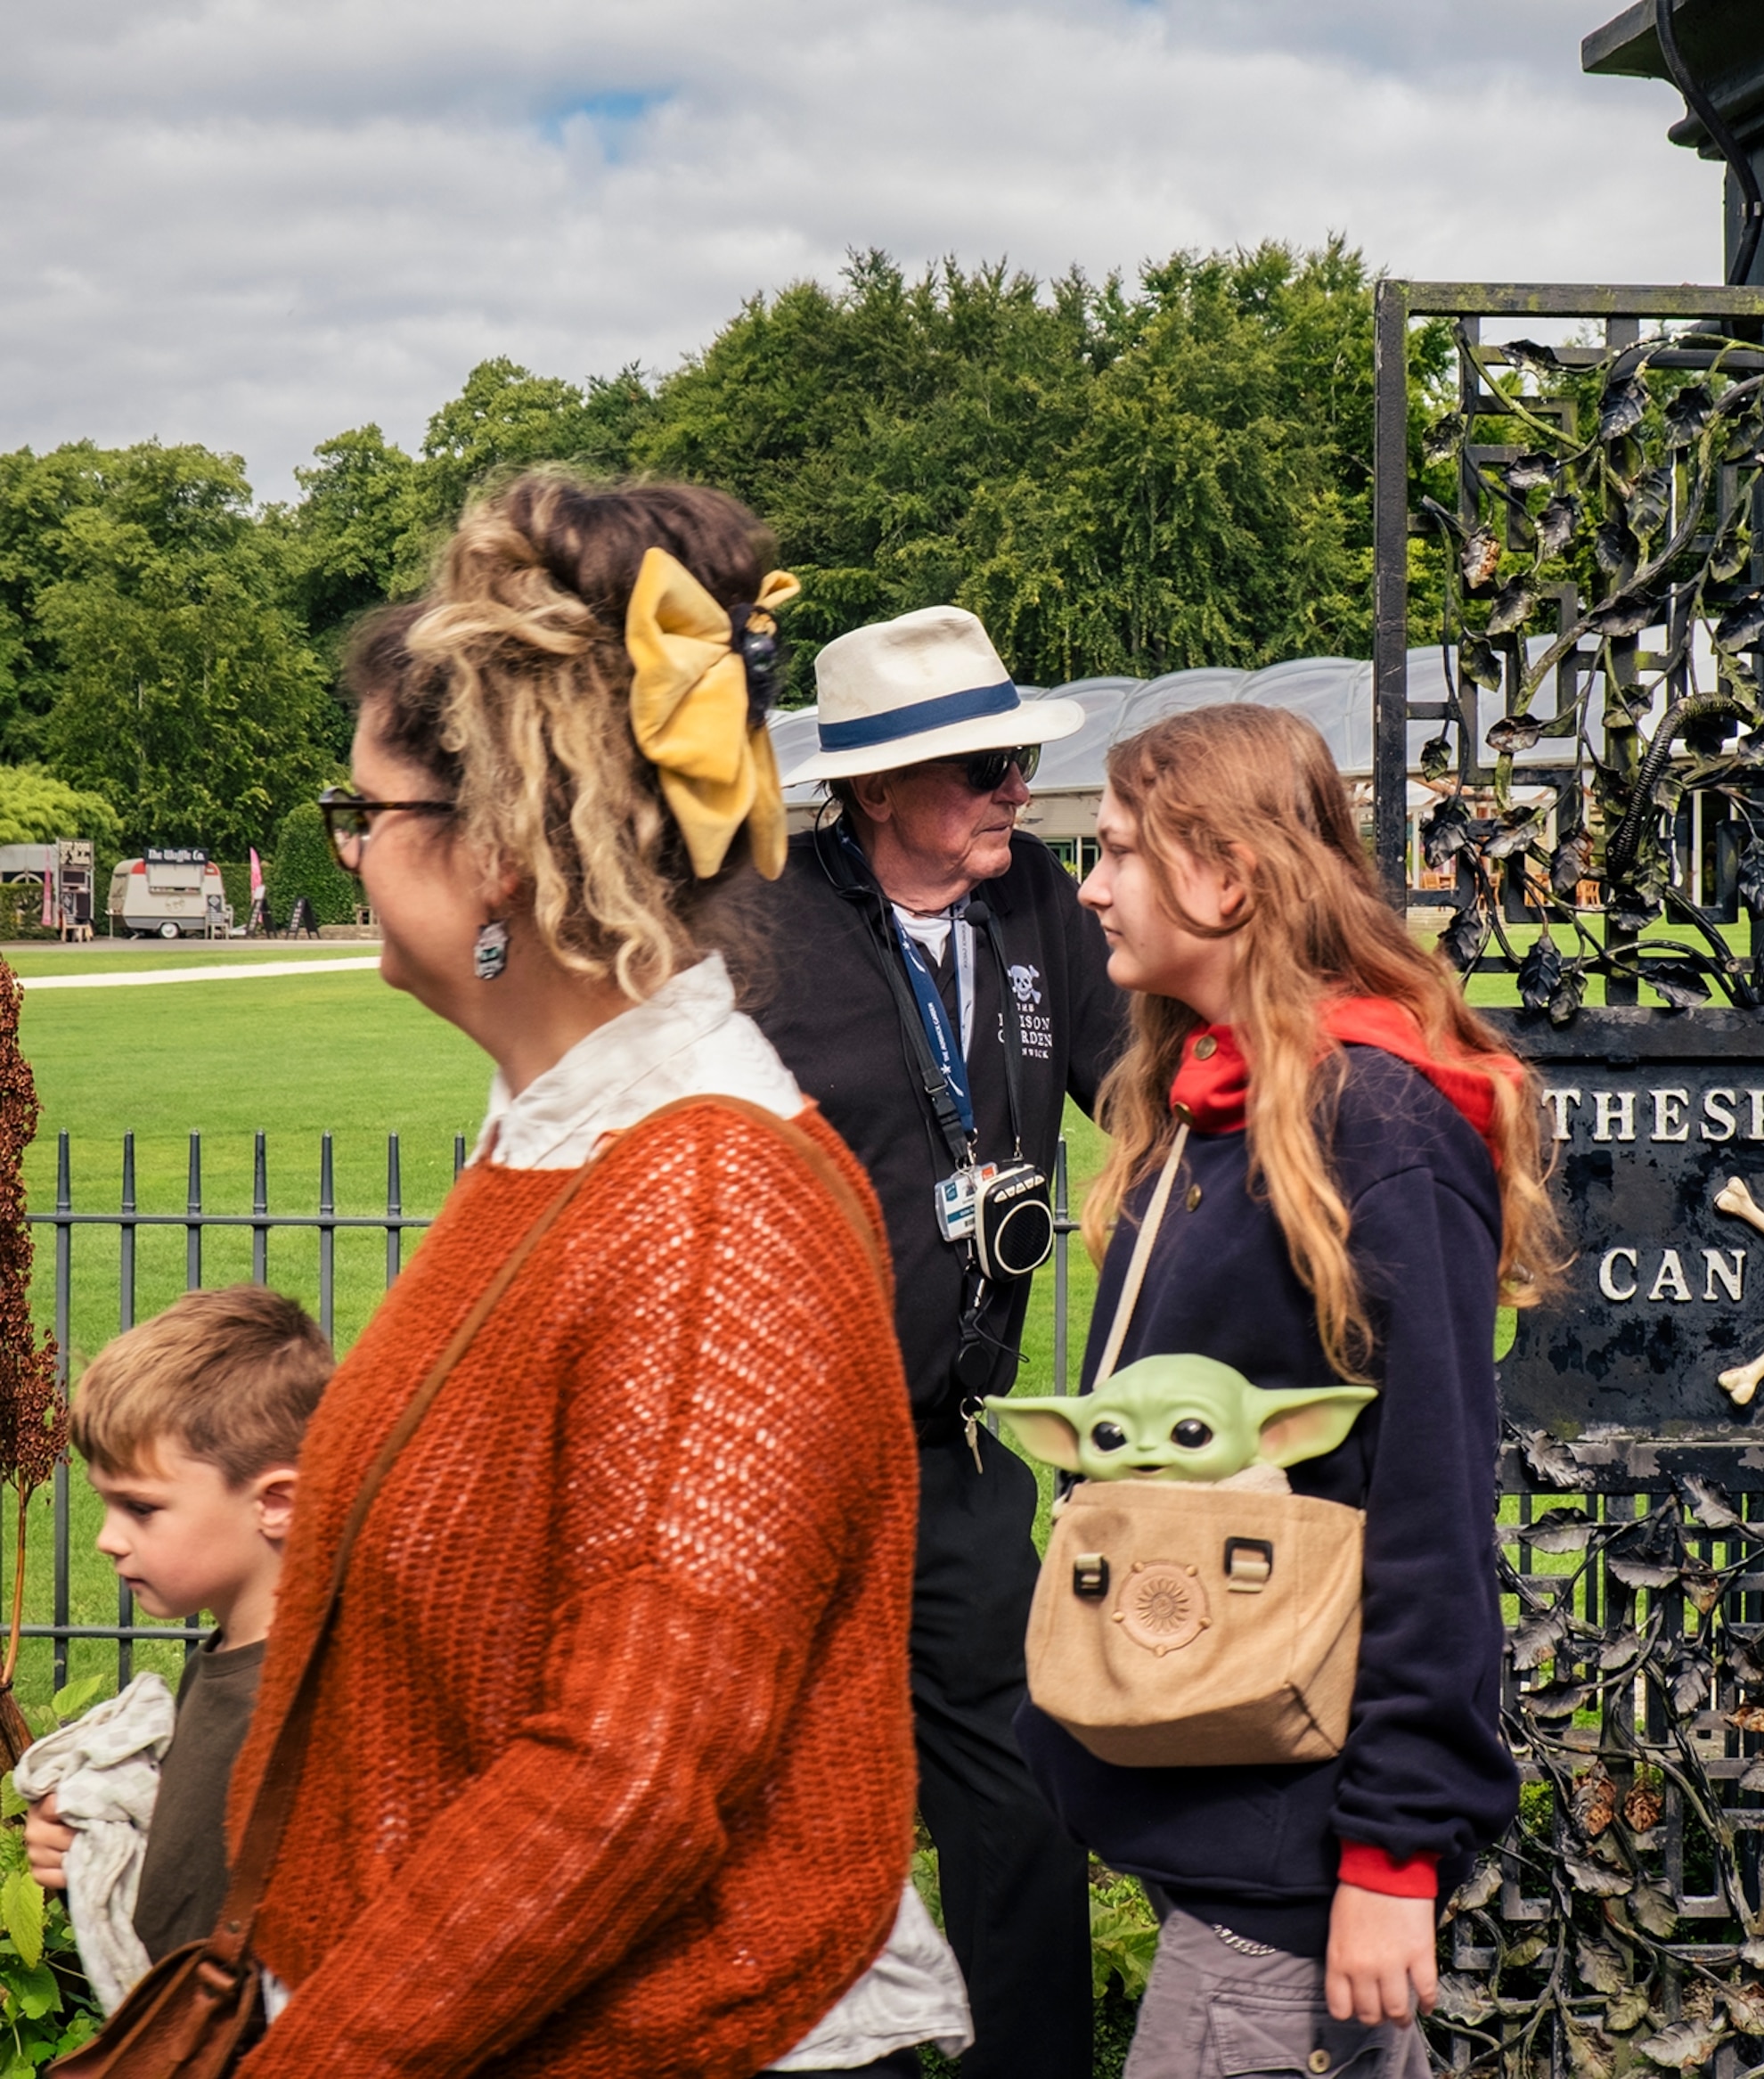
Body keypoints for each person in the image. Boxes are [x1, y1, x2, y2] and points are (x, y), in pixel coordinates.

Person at [226, 472, 962, 2075]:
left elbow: (629, 1776)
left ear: (493, 846)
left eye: (365, 814)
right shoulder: (567, 1135)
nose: (350, 855)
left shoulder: (706, 1203)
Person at [1015, 704, 1559, 2077]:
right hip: (1229, 1826)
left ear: (1228, 874)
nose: (1088, 883)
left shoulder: (1371, 1128)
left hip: (1291, 1863)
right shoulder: (1223, 1104)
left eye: (1120, 849)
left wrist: (1391, 1852)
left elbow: (1433, 1513)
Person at [750, 605, 1122, 2079]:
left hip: (954, 1453)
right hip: (788, 1468)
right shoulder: (763, 916)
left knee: (1019, 1796)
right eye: (979, 766)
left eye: (1014, 757)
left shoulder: (1030, 895)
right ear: (877, 786)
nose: (1011, 787)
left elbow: (1135, 1086)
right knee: (793, 1798)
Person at [22, 1287, 331, 2001]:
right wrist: (91, 1853)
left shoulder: (297, 1701)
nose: (107, 1537)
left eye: (141, 1507)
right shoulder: (229, 1659)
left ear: (276, 1501)